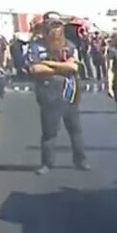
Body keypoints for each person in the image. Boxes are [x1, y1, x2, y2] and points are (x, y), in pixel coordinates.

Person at [24, 19, 89, 174]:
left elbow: (73, 67)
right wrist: (61, 68)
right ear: (45, 29)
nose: (55, 30)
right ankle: (47, 163)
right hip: (48, 94)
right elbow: (35, 69)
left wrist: (49, 64)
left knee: (75, 130)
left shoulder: (70, 46)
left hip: (69, 92)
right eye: (52, 27)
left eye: (58, 27)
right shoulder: (35, 46)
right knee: (49, 132)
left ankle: (81, 160)